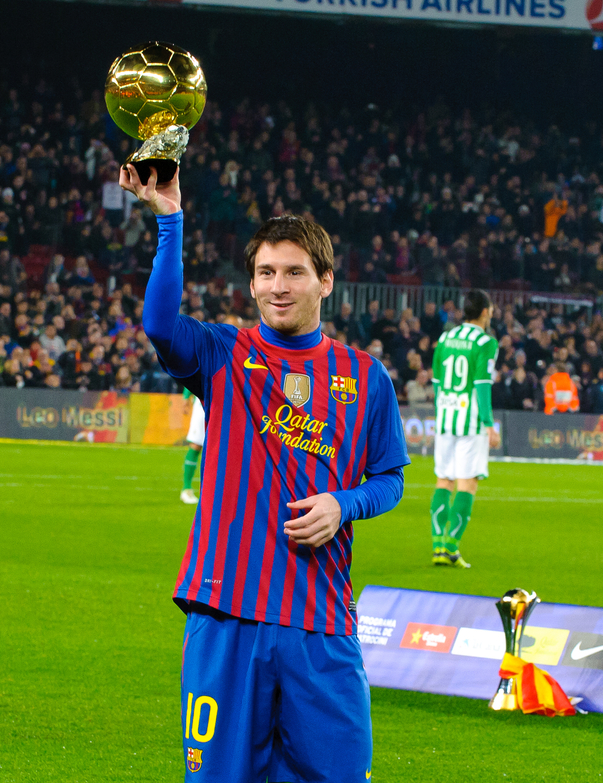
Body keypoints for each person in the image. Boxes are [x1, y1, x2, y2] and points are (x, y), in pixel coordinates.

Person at [121, 162, 408, 782]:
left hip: (321, 624)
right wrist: (169, 221)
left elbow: (390, 479)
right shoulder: (223, 355)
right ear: (251, 284)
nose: (279, 286)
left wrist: (343, 505)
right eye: (266, 273)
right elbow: (159, 325)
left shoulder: (367, 377)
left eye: (294, 272)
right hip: (229, 616)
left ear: (325, 281)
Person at [428, 289, 501, 568]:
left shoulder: (445, 338)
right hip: (470, 421)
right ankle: (451, 548)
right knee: (467, 483)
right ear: (484, 311)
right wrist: (489, 424)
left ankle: (437, 546)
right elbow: (482, 384)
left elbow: (436, 381)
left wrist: (441, 412)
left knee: (443, 480)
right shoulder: (485, 342)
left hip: (446, 417)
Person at [180, 387, 204, 505]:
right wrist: (186, 397)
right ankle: (186, 489)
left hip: (223, 402)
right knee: (196, 444)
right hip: (202, 402)